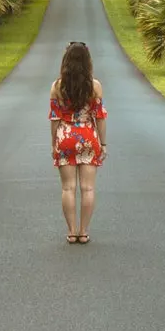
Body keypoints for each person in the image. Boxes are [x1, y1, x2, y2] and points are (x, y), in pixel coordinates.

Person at [50, 40, 107, 244]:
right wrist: (103, 143)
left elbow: (55, 118)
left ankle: (71, 231)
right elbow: (99, 116)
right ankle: (83, 231)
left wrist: (53, 143)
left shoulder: (57, 86)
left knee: (68, 188)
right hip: (88, 136)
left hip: (65, 136)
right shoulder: (95, 86)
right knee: (88, 188)